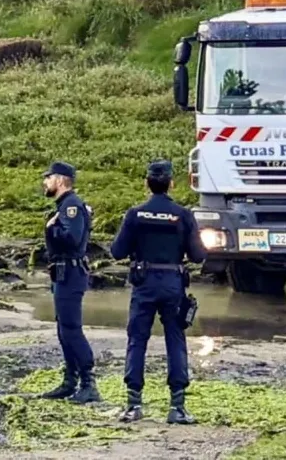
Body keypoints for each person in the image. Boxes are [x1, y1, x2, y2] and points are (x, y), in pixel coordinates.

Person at [110, 159, 206, 425]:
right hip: (173, 283)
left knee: (137, 339)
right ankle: (177, 406)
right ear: (171, 184)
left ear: (147, 183)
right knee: (175, 340)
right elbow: (198, 256)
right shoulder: (183, 215)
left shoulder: (135, 214)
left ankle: (133, 404)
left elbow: (117, 251)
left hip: (143, 283)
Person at [39, 161, 100, 404]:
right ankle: (70, 380)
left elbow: (72, 240)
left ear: (61, 180)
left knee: (71, 329)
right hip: (62, 273)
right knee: (63, 329)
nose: (45, 182)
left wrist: (50, 230)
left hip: (71, 273)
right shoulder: (65, 205)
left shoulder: (71, 206)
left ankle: (88, 383)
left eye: (48, 177)